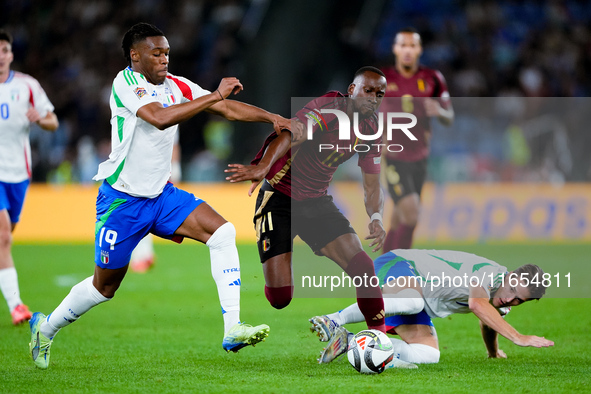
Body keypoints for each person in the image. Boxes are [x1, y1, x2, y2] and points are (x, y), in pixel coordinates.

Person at [28, 22, 292, 370]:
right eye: (156, 53)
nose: (164, 59)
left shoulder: (177, 85)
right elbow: (159, 119)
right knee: (103, 287)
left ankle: (233, 328)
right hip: (122, 202)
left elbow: (225, 109)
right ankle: (45, 328)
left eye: (167, 52)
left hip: (162, 197)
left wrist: (272, 118)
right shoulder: (125, 83)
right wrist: (215, 94)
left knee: (223, 233)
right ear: (135, 56)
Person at [225, 67, 388, 335]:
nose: (373, 98)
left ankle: (378, 338)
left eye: (379, 94)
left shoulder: (372, 130)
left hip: (317, 203)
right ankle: (273, 254)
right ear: (351, 90)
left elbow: (372, 185)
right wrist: (264, 166)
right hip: (278, 198)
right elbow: (292, 133)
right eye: (367, 90)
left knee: (364, 267)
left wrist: (377, 218)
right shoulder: (329, 107)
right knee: (280, 299)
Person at [310, 249, 554, 366]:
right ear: (510, 275)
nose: (509, 300)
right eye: (512, 290)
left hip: (420, 302)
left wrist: (492, 352)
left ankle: (352, 341)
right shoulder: (489, 274)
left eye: (518, 300)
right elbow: (477, 304)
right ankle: (333, 320)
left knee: (429, 356)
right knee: (413, 300)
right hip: (399, 265)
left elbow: (488, 319)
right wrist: (518, 337)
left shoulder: (502, 301)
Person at [0, 30, 59, 325]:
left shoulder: (27, 86)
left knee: (5, 239)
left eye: (5, 49)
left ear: (11, 54)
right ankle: (16, 306)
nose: (0, 56)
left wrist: (40, 119)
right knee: (4, 237)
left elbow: (53, 120)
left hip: (18, 174)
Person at [380, 27, 454, 252]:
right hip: (392, 157)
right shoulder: (380, 80)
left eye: (412, 46)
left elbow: (449, 116)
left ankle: (381, 272)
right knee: (411, 215)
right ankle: (401, 269)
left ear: (420, 49)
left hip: (420, 157)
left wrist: (439, 112)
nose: (408, 51)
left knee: (399, 217)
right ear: (395, 49)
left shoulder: (433, 78)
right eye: (403, 45)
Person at [129, 136, 181, 273]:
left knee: (140, 213)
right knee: (143, 212)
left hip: (150, 172)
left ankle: (142, 255)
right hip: (150, 171)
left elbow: (173, 144)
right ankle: (143, 254)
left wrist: (174, 166)